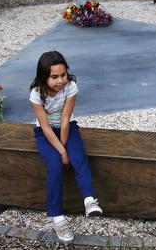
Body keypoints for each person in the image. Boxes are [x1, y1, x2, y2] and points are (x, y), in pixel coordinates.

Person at [29, 51, 103, 242]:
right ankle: (57, 217)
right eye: (54, 77)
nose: (60, 80)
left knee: (78, 157)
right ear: (43, 75)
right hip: (44, 133)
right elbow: (45, 126)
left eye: (63, 75)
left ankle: (89, 200)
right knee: (54, 164)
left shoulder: (71, 87)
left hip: (66, 127)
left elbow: (64, 119)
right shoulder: (36, 93)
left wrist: (66, 148)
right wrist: (62, 152)